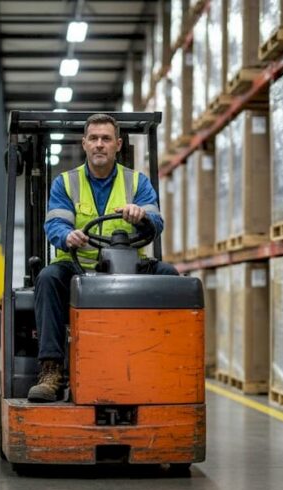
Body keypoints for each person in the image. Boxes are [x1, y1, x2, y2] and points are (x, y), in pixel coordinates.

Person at [28, 113, 178, 403]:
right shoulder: (66, 183)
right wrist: (67, 236)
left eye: (106, 139)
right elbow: (55, 223)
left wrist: (142, 216)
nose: (100, 144)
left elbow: (157, 222)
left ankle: (163, 364)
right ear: (84, 143)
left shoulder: (137, 182)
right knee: (46, 278)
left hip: (128, 267)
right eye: (94, 138)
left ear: (118, 144)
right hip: (77, 267)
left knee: (170, 277)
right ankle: (51, 370)